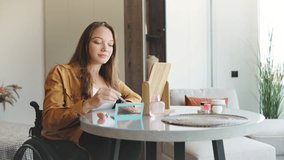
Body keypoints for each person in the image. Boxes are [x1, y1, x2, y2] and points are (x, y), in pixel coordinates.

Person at [41, 21, 143, 160]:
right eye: (97, 42)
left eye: (110, 44)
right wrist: (89, 103)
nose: (105, 48)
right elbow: (49, 120)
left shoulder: (110, 80)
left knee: (134, 138)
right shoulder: (61, 72)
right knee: (102, 140)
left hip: (103, 132)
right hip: (69, 136)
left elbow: (135, 97)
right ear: (85, 44)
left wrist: (125, 105)